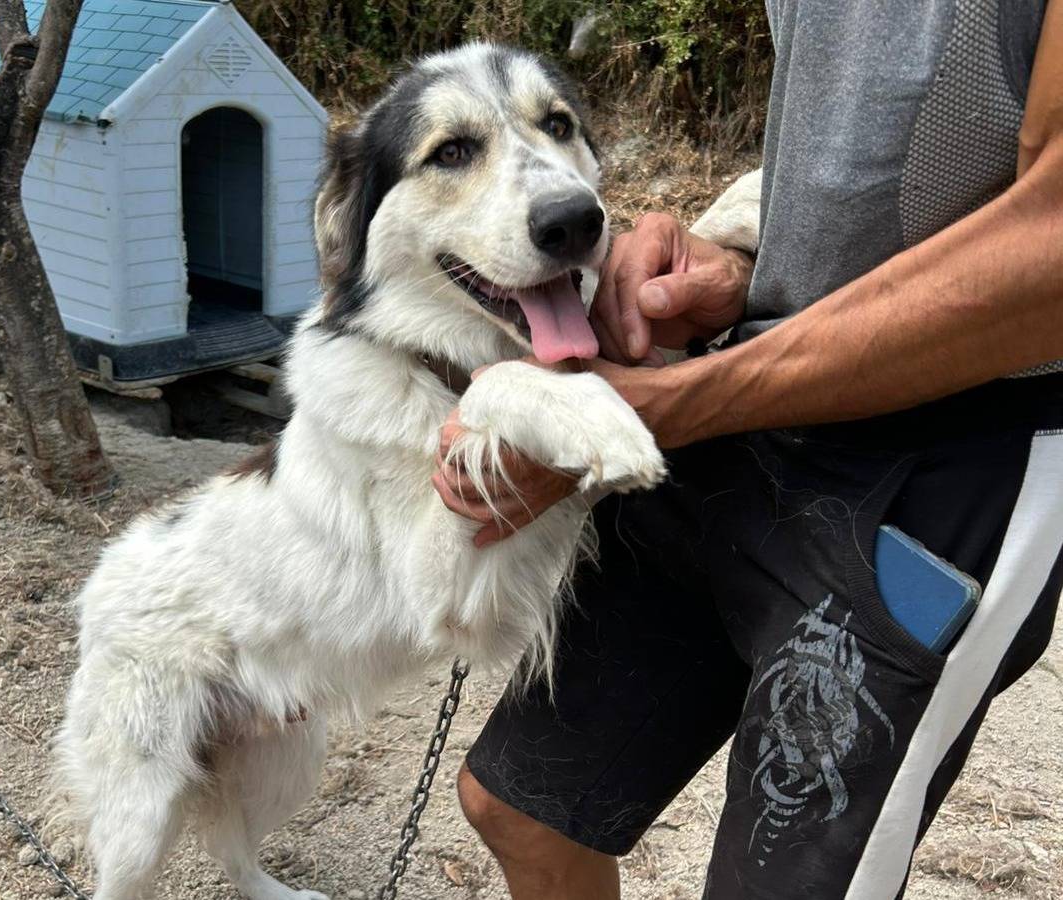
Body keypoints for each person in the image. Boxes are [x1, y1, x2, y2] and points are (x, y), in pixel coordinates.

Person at [434, 1, 1063, 897]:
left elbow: (1052, 246)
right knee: (524, 809)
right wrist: (741, 257)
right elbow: (874, 140)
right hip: (757, 399)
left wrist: (663, 410)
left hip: (954, 464)